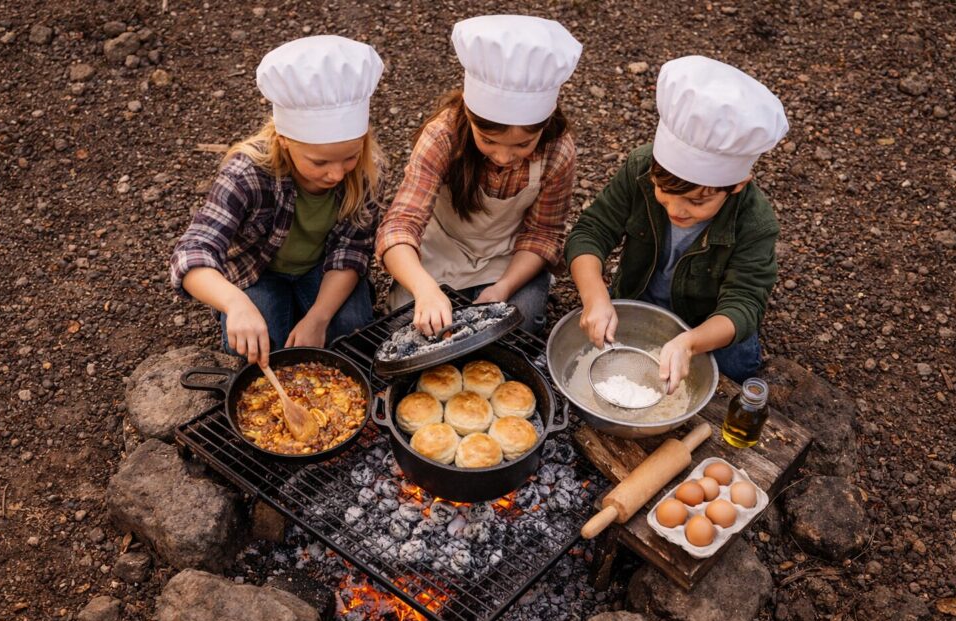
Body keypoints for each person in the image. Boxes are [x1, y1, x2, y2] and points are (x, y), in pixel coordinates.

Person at [564, 55, 789, 392]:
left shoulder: (754, 222)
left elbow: (744, 304)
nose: (676, 209)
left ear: (737, 185)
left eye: (697, 202)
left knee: (729, 374)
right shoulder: (640, 167)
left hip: (707, 323)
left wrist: (689, 343)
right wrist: (595, 296)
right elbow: (591, 231)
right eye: (663, 192)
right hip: (638, 297)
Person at [169, 36, 386, 367]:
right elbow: (192, 252)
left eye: (349, 158)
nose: (337, 174)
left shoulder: (368, 172)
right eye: (319, 163)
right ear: (285, 142)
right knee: (255, 346)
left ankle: (307, 313)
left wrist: (318, 317)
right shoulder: (247, 172)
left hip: (322, 267)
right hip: (258, 272)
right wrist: (234, 303)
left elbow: (351, 251)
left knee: (352, 330)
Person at [376, 15, 581, 336]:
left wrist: (503, 288)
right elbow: (401, 224)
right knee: (406, 326)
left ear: (544, 124)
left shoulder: (558, 151)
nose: (503, 157)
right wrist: (424, 288)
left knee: (520, 321)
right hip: (440, 253)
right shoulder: (443, 136)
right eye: (488, 141)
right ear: (470, 117)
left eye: (523, 145)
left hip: (508, 259)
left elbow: (543, 235)